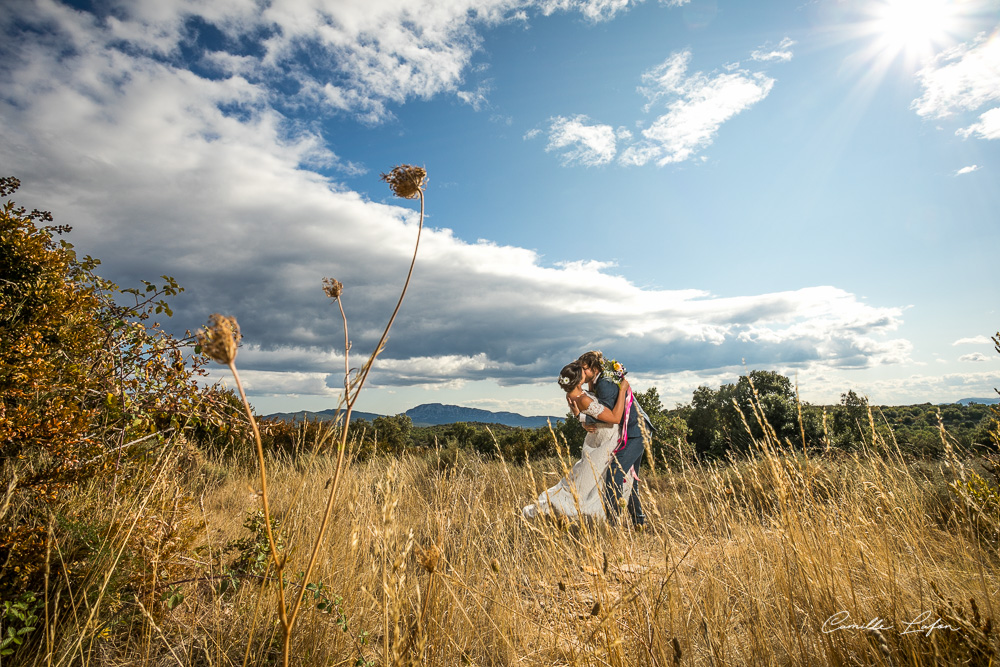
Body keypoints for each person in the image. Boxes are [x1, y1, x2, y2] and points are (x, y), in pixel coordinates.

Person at [522, 362, 633, 519]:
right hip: (604, 440)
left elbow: (589, 407)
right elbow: (614, 417)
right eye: (583, 372)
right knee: (586, 483)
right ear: (578, 379)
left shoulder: (574, 394)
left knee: (590, 480)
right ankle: (557, 511)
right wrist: (622, 390)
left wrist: (581, 418)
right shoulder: (582, 398)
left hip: (598, 437)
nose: (586, 372)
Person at [577, 350, 652, 528]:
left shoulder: (604, 383)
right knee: (629, 479)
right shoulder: (600, 382)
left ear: (595, 369)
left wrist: (582, 418)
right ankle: (639, 523)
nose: (582, 373)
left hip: (637, 431)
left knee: (614, 474)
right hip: (636, 431)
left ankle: (614, 524)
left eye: (585, 369)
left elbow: (609, 415)